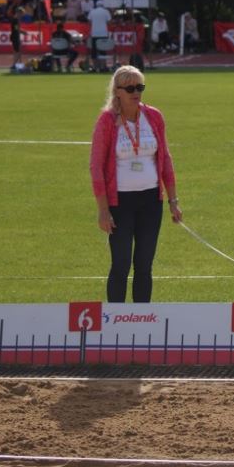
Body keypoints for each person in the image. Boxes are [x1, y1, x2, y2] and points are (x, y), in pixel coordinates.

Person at [91, 66, 181, 303]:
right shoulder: (107, 121)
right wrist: (102, 210)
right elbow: (96, 167)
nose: (136, 92)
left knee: (144, 265)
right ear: (117, 91)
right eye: (130, 88)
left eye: (140, 87)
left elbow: (166, 159)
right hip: (120, 203)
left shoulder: (154, 116)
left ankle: (141, 322)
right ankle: (116, 321)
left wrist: (173, 200)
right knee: (120, 264)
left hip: (151, 201)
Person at [87, 0, 112, 66]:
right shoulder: (106, 11)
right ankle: (103, 66)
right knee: (103, 51)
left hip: (94, 34)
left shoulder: (92, 11)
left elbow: (89, 21)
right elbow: (109, 22)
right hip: (103, 33)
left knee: (94, 51)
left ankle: (95, 66)